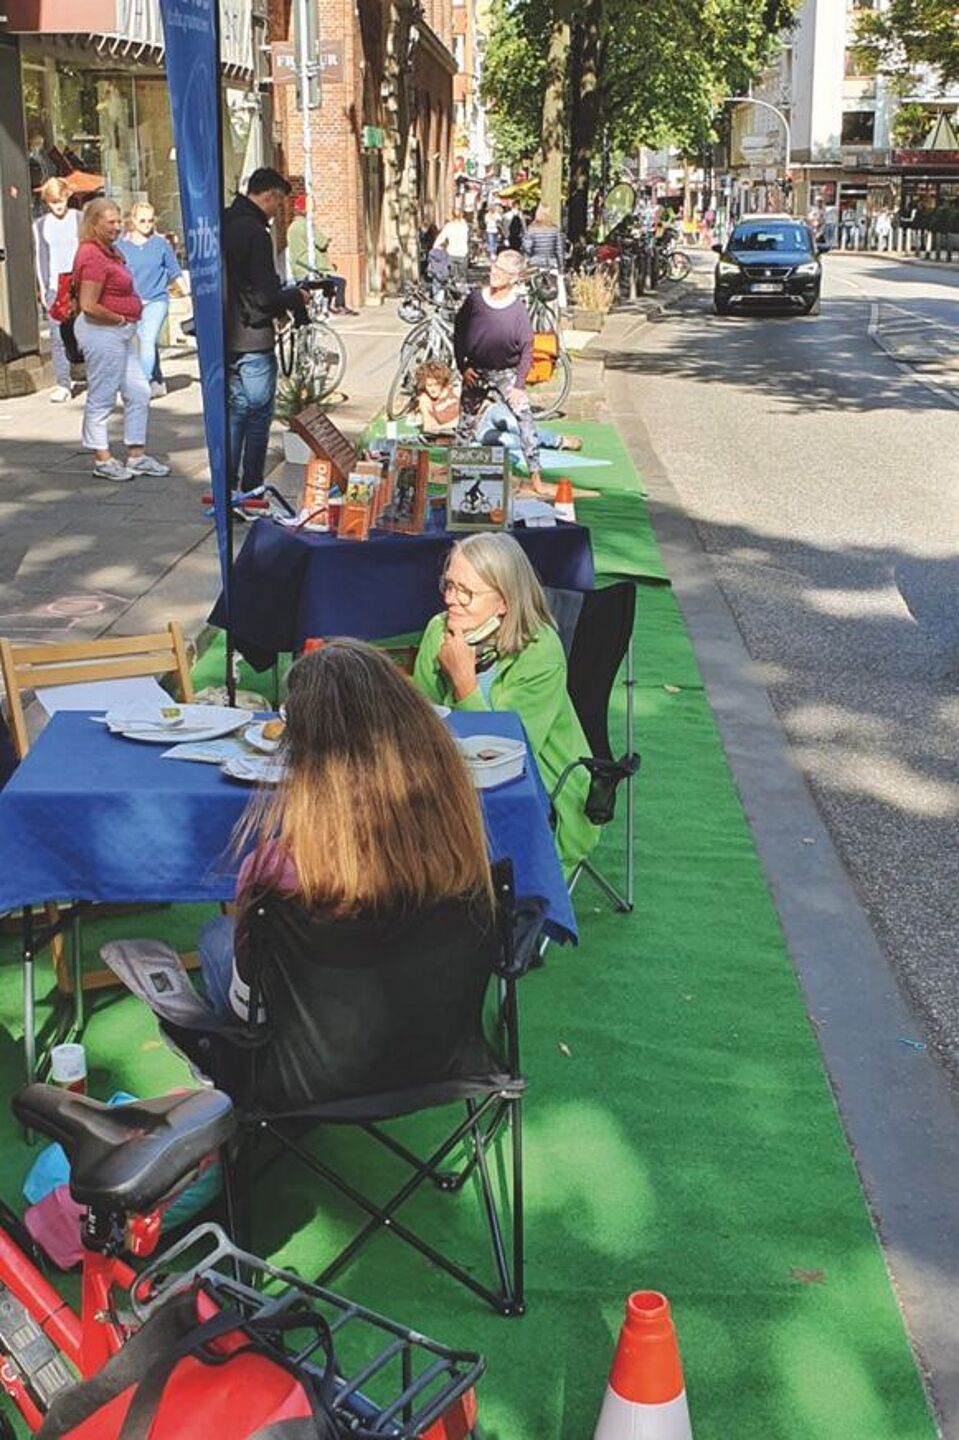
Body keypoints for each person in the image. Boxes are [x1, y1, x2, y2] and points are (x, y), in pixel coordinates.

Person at [197, 639, 493, 1019]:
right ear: (421, 737)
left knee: (215, 937)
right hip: (430, 1047)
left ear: (303, 760)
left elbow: (251, 1007)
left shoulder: (272, 871)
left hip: (308, 1062)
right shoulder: (456, 849)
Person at [413, 533, 600, 873]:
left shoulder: (540, 652)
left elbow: (509, 750)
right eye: (449, 585)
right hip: (451, 780)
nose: (451, 600)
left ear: (504, 601)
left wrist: (465, 683)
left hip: (534, 790)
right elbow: (421, 716)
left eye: (466, 592)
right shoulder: (439, 630)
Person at [223, 167, 309, 494]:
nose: (278, 211)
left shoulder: (224, 222)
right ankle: (252, 487)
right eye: (278, 203)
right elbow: (264, 295)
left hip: (226, 334)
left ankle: (228, 484)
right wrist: (294, 297)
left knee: (236, 413)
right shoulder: (255, 233)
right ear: (269, 195)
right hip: (253, 338)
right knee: (258, 417)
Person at [73, 197, 170, 481]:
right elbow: (89, 304)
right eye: (111, 222)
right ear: (94, 224)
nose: (117, 227)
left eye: (118, 221)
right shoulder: (92, 255)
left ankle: (136, 455)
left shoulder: (110, 251)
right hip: (103, 332)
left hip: (119, 332)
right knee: (102, 395)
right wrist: (119, 318)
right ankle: (102, 458)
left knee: (138, 391)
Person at [414, 358, 583, 456]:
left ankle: (557, 440)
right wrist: (455, 426)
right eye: (428, 385)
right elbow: (430, 427)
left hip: (486, 413)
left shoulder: (455, 388)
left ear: (443, 381)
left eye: (435, 384)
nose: (432, 389)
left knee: (512, 423)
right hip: (475, 432)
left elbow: (475, 400)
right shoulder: (425, 400)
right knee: (509, 442)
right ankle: (539, 443)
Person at [116, 201, 184, 397]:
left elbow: (175, 271)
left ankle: (140, 384)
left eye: (150, 220)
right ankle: (157, 380)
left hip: (156, 299)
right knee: (140, 343)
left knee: (147, 338)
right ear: (133, 221)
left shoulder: (160, 244)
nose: (146, 224)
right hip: (131, 301)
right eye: (142, 220)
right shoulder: (120, 246)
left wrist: (189, 296)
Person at [33, 177, 81, 403]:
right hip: (55, 285)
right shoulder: (40, 225)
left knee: (86, 331)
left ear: (67, 196)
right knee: (57, 333)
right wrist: (43, 289)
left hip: (80, 283)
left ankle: (101, 375)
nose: (58, 206)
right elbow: (40, 257)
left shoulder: (79, 220)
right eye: (53, 202)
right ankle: (63, 383)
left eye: (61, 200)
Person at [284, 195, 352, 312]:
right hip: (311, 268)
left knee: (324, 285)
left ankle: (325, 308)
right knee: (339, 282)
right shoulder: (307, 225)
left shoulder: (291, 228)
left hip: (298, 269)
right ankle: (337, 305)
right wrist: (327, 239)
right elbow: (322, 243)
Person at [523, 204, 565, 272]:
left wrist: (526, 260)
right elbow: (559, 250)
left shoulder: (532, 229)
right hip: (552, 263)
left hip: (535, 263)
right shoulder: (555, 230)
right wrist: (561, 266)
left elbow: (527, 248)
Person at [433, 209, 470, 285]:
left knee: (453, 277)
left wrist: (435, 247)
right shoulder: (465, 225)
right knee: (462, 277)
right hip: (462, 253)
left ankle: (455, 292)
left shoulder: (449, 226)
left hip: (451, 253)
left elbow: (441, 237)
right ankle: (462, 293)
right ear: (461, 215)